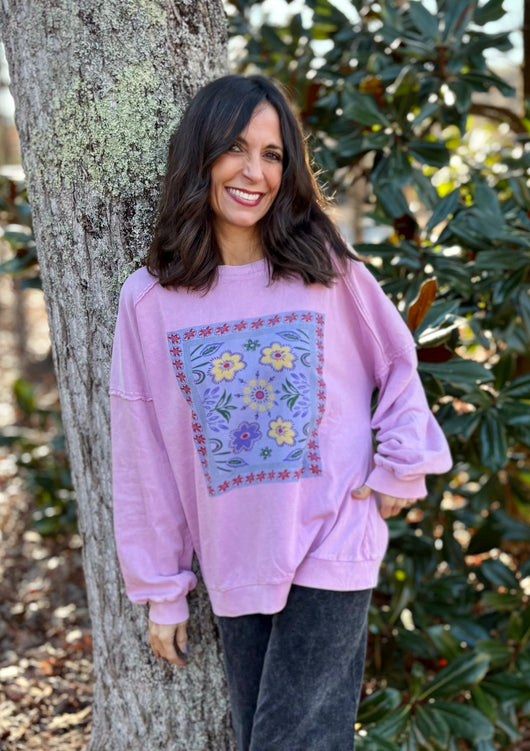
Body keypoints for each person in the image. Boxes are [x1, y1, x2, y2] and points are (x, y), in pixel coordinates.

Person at [110, 74, 452, 751]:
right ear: (199, 155)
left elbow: (396, 361)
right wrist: (162, 588)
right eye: (236, 147)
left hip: (332, 538)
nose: (254, 171)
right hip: (234, 556)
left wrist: (399, 466)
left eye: (273, 154)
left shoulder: (323, 269)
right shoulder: (150, 299)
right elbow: (141, 450)